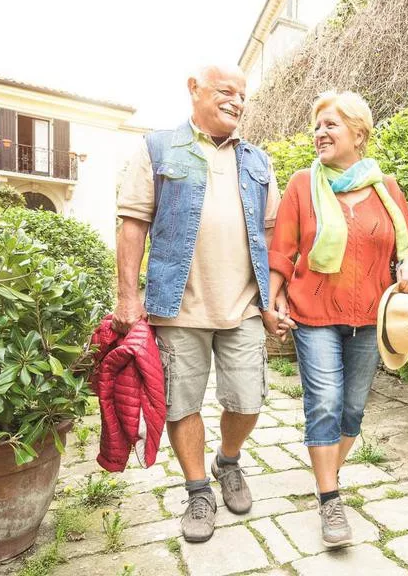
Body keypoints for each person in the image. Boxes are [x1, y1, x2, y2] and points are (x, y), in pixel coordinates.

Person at [114, 64, 290, 543]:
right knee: (180, 405)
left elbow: (273, 233)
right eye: (225, 91)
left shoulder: (258, 160)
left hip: (245, 307)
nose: (236, 100)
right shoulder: (157, 149)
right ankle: (197, 490)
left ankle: (227, 461)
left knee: (249, 401)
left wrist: (274, 298)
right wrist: (127, 297)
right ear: (194, 90)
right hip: (177, 308)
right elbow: (133, 222)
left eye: (242, 94)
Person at [266, 91, 408, 547]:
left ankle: (325, 474)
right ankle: (330, 498)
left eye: (330, 125)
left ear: (358, 133)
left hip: (370, 318)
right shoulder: (302, 184)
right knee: (326, 403)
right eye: (317, 126)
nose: (320, 133)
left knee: (352, 409)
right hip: (314, 314)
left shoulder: (385, 188)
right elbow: (284, 250)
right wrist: (274, 300)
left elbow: (407, 244)